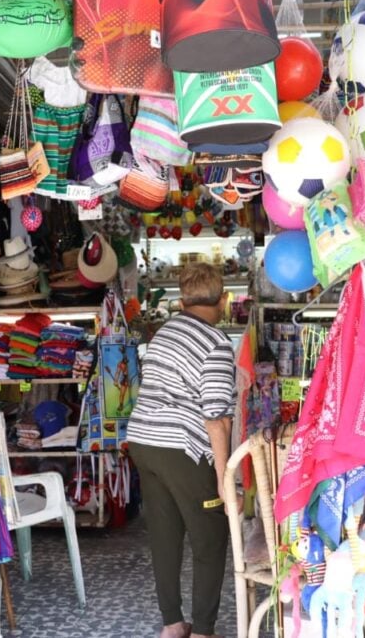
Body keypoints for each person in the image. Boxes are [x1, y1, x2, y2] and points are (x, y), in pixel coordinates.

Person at [127, 262, 236, 638]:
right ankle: (204, 631)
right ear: (223, 300)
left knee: (165, 535)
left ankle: (172, 624)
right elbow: (217, 418)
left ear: (182, 299)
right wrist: (223, 479)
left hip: (144, 442)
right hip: (182, 450)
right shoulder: (217, 343)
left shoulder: (165, 332)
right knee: (210, 537)